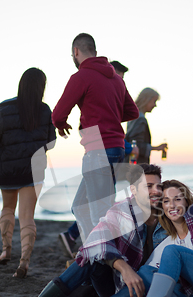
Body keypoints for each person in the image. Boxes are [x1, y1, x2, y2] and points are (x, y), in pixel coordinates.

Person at [3, 164, 169, 297]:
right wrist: (124, 268)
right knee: (92, 257)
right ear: (133, 190)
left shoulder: (169, 216)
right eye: (148, 186)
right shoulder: (121, 211)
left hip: (144, 290)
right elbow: (97, 239)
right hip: (118, 284)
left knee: (144, 281)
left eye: (159, 186)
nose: (156, 191)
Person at [52, 33, 139, 242]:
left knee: (99, 214)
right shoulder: (117, 80)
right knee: (80, 208)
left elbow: (57, 115)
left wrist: (61, 125)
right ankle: (92, 253)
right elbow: (132, 112)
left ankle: (106, 259)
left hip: (98, 150)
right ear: (96, 52)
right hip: (116, 148)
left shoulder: (81, 77)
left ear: (76, 52)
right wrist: (109, 115)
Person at [0, 68, 56, 279]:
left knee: (8, 208)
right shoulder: (45, 110)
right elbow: (51, 141)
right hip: (33, 170)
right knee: (27, 216)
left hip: (8, 170)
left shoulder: (4, 110)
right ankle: (24, 263)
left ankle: (5, 251)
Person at [125, 88, 168, 164]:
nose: (155, 105)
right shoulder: (140, 120)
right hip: (137, 165)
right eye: (154, 101)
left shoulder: (133, 117)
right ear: (146, 100)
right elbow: (136, 145)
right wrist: (157, 148)